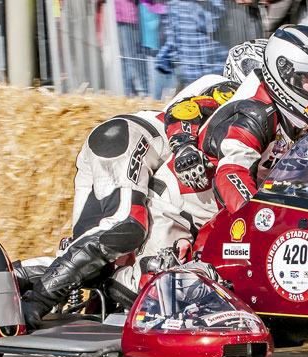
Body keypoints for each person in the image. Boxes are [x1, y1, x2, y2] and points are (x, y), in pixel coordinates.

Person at [17, 41, 268, 328]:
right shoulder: (227, 90)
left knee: (146, 268)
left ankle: (24, 275)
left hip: (161, 168)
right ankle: (37, 300)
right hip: (138, 138)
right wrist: (185, 147)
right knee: (126, 226)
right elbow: (183, 111)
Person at [197, 24, 308, 214]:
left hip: (262, 204)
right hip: (197, 209)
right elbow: (232, 174)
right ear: (287, 76)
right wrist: (256, 218)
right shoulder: (254, 116)